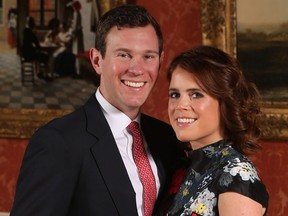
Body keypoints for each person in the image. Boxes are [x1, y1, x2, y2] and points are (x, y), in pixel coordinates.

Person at [10, 5, 182, 216]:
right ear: (96, 60)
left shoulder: (166, 138)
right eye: (124, 55)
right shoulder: (57, 143)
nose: (137, 70)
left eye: (148, 57)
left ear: (160, 61)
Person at [159, 45, 269, 215]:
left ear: (224, 102)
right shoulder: (184, 167)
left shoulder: (236, 176)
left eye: (196, 94)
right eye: (175, 94)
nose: (180, 105)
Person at [21, 16, 51, 81]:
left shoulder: (25, 31)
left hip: (25, 53)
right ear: (32, 24)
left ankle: (39, 72)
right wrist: (42, 49)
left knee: (39, 54)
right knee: (46, 56)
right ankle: (46, 75)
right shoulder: (30, 32)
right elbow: (37, 44)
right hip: (29, 55)